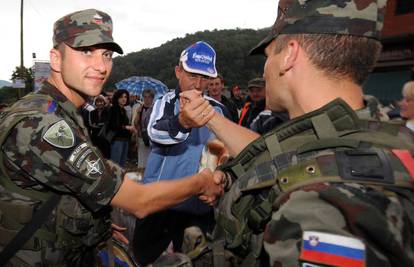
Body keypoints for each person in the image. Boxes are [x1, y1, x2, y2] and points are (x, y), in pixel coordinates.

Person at [180, 0, 414, 266]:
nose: (265, 70)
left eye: (268, 57)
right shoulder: (365, 133)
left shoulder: (324, 206)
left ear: (290, 54)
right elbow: (279, 155)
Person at [0, 9, 223, 267]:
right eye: (85, 52)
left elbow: (65, 186)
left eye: (106, 54)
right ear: (55, 59)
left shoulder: (59, 109)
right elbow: (139, 201)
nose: (101, 66)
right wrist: (202, 183)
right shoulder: (42, 125)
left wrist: (96, 225)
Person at [132, 41, 231, 266]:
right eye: (192, 75)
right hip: (159, 203)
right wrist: (183, 122)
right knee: (145, 258)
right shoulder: (164, 102)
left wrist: (218, 181)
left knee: (197, 261)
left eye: (205, 78)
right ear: (178, 71)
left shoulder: (217, 109)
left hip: (197, 207)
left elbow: (222, 152)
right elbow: (154, 132)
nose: (198, 83)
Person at [108, 89, 136, 167]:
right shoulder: (113, 109)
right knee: (115, 166)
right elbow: (112, 126)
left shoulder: (123, 110)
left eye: (125, 97)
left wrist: (131, 129)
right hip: (117, 141)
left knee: (122, 165)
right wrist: (126, 127)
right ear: (117, 98)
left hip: (125, 141)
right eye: (121, 97)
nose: (124, 99)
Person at [134, 88, 155, 168]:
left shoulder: (155, 108)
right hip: (141, 137)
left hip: (152, 137)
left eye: (149, 97)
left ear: (152, 98)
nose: (147, 99)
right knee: (142, 160)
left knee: (150, 160)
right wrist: (138, 113)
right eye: (145, 97)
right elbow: (135, 124)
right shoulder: (140, 108)